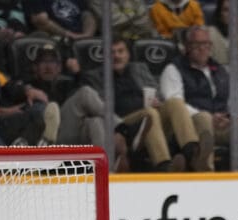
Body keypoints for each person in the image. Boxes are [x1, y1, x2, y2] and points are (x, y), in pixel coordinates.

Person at [159, 25, 238, 171]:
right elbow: (175, 104)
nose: (203, 48)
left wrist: (236, 115)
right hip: (193, 126)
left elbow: (235, 97)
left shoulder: (220, 70)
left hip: (224, 124)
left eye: (206, 44)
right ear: (186, 46)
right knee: (203, 117)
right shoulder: (174, 69)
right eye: (197, 44)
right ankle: (206, 171)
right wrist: (210, 117)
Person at [85, 36, 209, 172]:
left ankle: (191, 152)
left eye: (121, 51)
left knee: (175, 102)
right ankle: (164, 165)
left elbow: (158, 94)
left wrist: (159, 101)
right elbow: (99, 107)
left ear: (128, 54)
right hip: (124, 122)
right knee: (150, 114)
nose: (117, 56)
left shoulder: (139, 68)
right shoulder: (95, 76)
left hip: (150, 118)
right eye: (112, 52)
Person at [28, 42, 148, 172]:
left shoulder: (68, 83)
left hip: (70, 135)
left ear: (59, 67)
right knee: (84, 93)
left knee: (95, 122)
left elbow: (90, 95)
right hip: (45, 138)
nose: (48, 66)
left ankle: (105, 173)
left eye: (52, 62)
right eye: (43, 62)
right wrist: (26, 90)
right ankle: (122, 128)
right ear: (35, 67)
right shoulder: (28, 85)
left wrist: (78, 73)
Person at [86, 0, 158, 43]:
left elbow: (146, 20)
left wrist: (129, 17)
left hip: (143, 39)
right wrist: (136, 16)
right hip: (116, 44)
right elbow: (116, 23)